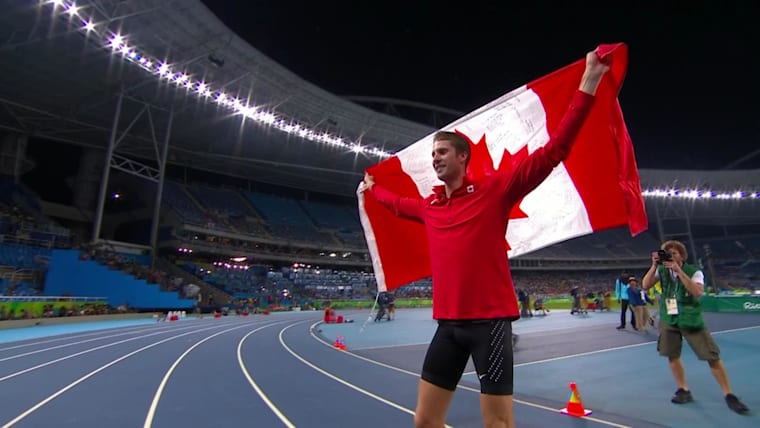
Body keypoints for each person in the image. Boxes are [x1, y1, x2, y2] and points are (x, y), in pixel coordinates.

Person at [361, 49, 610, 428]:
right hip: (448, 326)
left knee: (497, 424)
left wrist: (589, 80)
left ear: (462, 157)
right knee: (424, 421)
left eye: (442, 152)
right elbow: (395, 205)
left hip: (490, 326)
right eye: (433, 154)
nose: (435, 159)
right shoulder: (430, 207)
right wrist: (373, 189)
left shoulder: (494, 191)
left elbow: (553, 151)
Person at [641, 240, 749, 414]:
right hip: (669, 317)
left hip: (690, 317)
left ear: (682, 256)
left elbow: (697, 292)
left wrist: (679, 271)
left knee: (711, 356)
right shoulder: (661, 270)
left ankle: (729, 394)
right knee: (672, 354)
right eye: (667, 253)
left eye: (674, 253)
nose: (670, 256)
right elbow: (645, 285)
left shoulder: (694, 272)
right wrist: (654, 266)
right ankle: (683, 389)